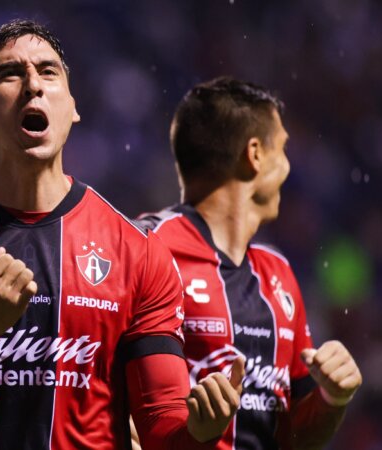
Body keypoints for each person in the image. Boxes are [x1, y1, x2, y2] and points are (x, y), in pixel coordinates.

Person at [0, 19, 243, 450]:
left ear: (72, 108)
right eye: (10, 74)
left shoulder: (139, 252)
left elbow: (162, 428)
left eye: (48, 72)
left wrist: (200, 433)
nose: (33, 84)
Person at [137, 76, 363, 449]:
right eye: (283, 149)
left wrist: (332, 398)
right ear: (254, 154)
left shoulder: (278, 273)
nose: (289, 167)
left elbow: (293, 437)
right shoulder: (144, 247)